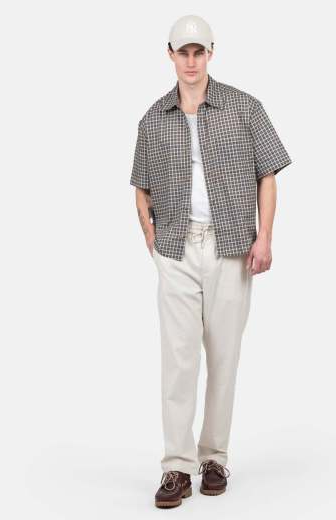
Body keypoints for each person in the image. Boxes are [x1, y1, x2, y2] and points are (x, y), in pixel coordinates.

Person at [130, 14, 292, 508]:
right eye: (183, 52)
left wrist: (264, 237)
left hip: (231, 247)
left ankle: (214, 457)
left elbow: (268, 175)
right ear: (170, 55)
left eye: (199, 52)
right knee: (178, 361)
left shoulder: (245, 108)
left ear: (211, 54)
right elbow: (141, 185)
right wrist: (151, 236)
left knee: (224, 356)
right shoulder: (152, 119)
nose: (191, 61)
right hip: (176, 249)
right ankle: (176, 467)